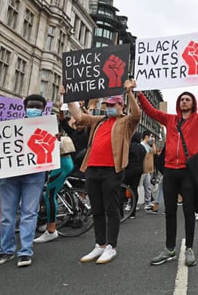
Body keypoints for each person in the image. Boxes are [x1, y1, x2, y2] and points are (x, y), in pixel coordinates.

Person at [138, 73, 198, 267]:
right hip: (170, 171)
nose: (184, 101)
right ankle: (169, 248)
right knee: (170, 212)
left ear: (193, 103)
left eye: (187, 99)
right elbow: (151, 111)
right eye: (181, 99)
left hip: (188, 172)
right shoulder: (170, 119)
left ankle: (189, 248)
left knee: (189, 212)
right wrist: (138, 94)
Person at [68, 79, 141, 264]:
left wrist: (130, 93)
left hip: (111, 170)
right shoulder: (99, 121)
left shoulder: (126, 122)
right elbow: (78, 116)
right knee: (97, 209)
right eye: (107, 105)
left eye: (112, 105)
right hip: (92, 169)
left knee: (111, 208)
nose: (108, 108)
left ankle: (111, 246)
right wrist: (68, 97)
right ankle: (99, 244)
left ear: (121, 106)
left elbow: (137, 115)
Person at [0, 94, 49, 267]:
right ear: (24, 108)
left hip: (34, 175)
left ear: (43, 109)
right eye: (31, 106)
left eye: (38, 107)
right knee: (7, 215)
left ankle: (25, 252)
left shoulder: (48, 126)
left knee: (29, 213)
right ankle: (6, 250)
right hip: (10, 175)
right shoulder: (9, 125)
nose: (34, 110)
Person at [33, 131, 75, 243]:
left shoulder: (50, 130)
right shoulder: (50, 130)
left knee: (50, 196)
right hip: (62, 162)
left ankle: (51, 230)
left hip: (61, 164)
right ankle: (47, 225)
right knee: (50, 195)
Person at [122, 132, 146, 219]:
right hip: (139, 170)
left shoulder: (129, 146)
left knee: (122, 188)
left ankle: (120, 212)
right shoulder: (142, 148)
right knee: (134, 189)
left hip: (129, 169)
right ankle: (133, 213)